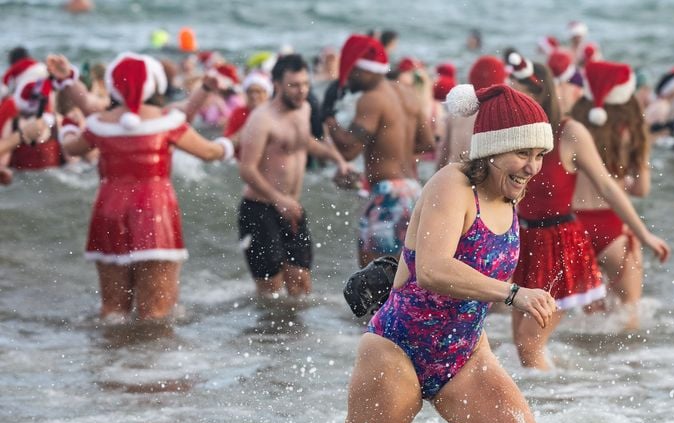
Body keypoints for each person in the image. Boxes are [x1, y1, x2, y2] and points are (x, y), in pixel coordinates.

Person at [270, 83, 557, 423]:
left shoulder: (509, 195)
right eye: (523, 153)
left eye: (540, 155)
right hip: (397, 350)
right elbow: (434, 269)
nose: (532, 167)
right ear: (492, 146)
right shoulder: (454, 183)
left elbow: (457, 284)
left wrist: (489, 339)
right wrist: (515, 293)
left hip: (462, 355)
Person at [508, 54, 669, 369]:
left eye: (519, 92)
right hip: (526, 241)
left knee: (530, 343)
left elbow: (608, 187)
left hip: (561, 241)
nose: (513, 99)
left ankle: (619, 384)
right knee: (524, 345)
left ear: (541, 94)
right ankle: (570, 393)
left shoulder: (571, 130)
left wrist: (643, 234)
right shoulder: (518, 135)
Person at [53, 52, 233, 321]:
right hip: (154, 212)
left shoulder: (101, 124)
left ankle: (112, 361)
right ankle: (152, 363)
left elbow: (70, 146)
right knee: (156, 313)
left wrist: (67, 124)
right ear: (155, 84)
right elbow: (208, 152)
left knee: (113, 312)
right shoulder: (167, 121)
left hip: (108, 213)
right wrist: (230, 146)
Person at [237, 54, 349, 298]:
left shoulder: (304, 109)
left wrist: (337, 159)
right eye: (294, 85)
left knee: (301, 286)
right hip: (259, 209)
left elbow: (304, 142)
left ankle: (296, 337)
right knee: (271, 293)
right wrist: (278, 199)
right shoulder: (261, 119)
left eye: (305, 84)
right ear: (277, 84)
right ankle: (263, 337)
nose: (302, 91)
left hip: (291, 208)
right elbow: (247, 169)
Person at [570, 61, 664, 330]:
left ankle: (588, 369)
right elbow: (642, 190)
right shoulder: (630, 131)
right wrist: (626, 181)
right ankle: (622, 369)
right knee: (628, 312)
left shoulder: (573, 126)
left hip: (573, 227)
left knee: (589, 314)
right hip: (612, 227)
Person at [325, 34, 433, 267]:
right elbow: (427, 143)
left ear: (364, 70)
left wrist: (328, 118)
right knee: (403, 278)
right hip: (413, 192)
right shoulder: (408, 94)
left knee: (371, 280)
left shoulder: (372, 99)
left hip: (388, 196)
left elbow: (348, 150)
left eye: (351, 73)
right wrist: (392, 152)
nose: (349, 81)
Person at [436, 55, 506, 169]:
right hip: (481, 182)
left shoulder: (457, 112)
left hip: (455, 178)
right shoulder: (499, 114)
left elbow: (443, 154)